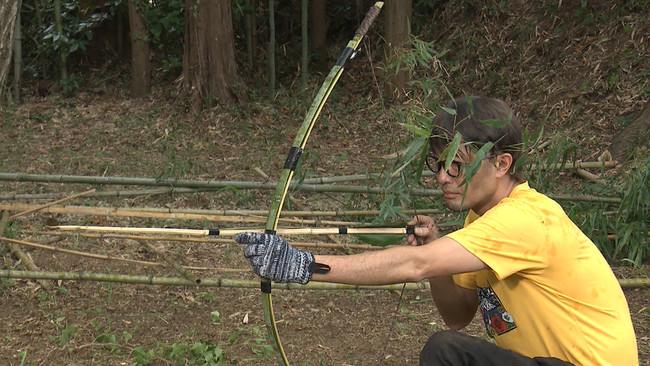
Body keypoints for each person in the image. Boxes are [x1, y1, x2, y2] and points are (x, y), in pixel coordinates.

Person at [235, 96, 638, 366]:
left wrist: (304, 265)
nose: (443, 177)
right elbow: (458, 313)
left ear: (501, 164)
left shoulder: (525, 219)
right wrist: (441, 250)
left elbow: (415, 265)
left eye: (457, 165)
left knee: (445, 352)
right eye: (438, 164)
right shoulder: (480, 220)